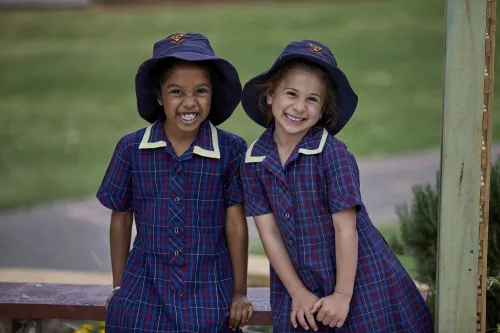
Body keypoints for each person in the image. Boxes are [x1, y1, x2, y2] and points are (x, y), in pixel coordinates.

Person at [240, 39, 434, 332]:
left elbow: (346, 229)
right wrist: (296, 291)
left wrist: (343, 295)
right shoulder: (253, 161)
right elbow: (269, 233)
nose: (299, 107)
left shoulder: (333, 154)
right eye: (291, 94)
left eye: (312, 99)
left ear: (322, 110)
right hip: (299, 286)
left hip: (358, 281)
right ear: (270, 95)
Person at [97, 32, 252, 332]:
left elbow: (235, 224)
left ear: (213, 94)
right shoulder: (131, 149)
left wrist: (239, 291)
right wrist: (119, 288)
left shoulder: (232, 150)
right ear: (159, 96)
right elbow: (120, 220)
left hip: (209, 289)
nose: (189, 102)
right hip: (145, 287)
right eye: (177, 92)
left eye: (201, 91)